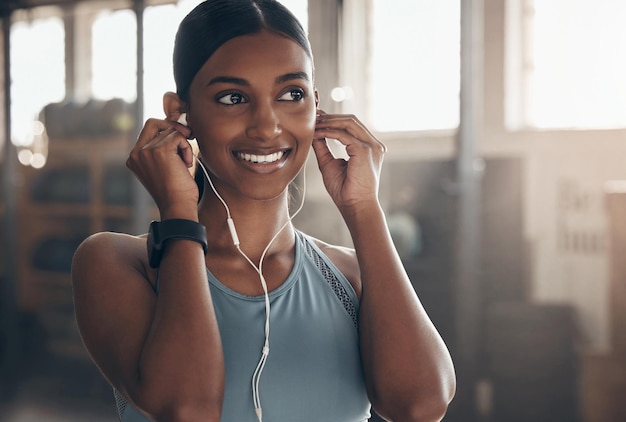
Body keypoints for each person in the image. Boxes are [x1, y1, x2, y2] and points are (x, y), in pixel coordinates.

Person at [71, 1, 456, 421]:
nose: (267, 125)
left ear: (315, 107)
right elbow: (187, 409)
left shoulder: (352, 278)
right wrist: (178, 211)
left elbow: (420, 407)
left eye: (292, 94)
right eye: (233, 97)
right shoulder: (118, 264)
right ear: (180, 113)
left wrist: (364, 209)